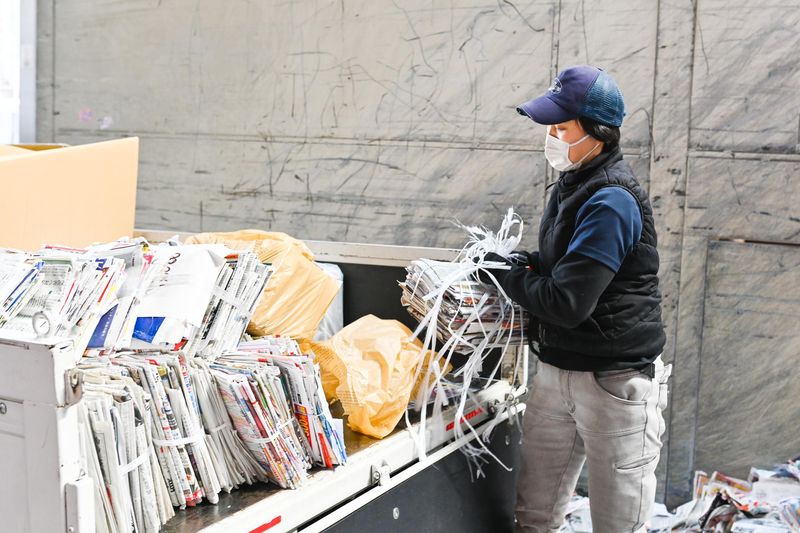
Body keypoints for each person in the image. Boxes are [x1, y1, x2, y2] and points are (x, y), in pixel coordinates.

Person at [479, 65, 671, 532]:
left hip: (611, 384)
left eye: (561, 128)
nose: (551, 137)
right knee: (534, 517)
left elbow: (568, 301)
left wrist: (505, 276)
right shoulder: (574, 183)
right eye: (550, 127)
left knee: (617, 524)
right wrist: (522, 263)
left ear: (598, 134)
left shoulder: (612, 200)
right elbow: (565, 265)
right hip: (557, 371)